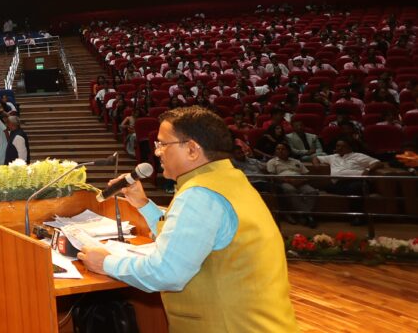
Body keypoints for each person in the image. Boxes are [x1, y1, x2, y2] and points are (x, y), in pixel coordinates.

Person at [77, 106, 298, 332]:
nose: (156, 152)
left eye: (162, 144)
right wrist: (142, 204)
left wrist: (105, 263)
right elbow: (188, 240)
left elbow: (166, 272)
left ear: (192, 149)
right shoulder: (227, 180)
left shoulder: (199, 193)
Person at [314, 137, 385, 226]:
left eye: (342, 146)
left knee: (354, 188)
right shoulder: (332, 157)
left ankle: (358, 217)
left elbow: (378, 163)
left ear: (349, 148)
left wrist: (368, 169)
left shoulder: (359, 156)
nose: (339, 148)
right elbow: (316, 157)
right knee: (329, 187)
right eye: (337, 146)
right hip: (340, 183)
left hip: (358, 181)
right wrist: (316, 165)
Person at [266, 142, 318, 227]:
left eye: (283, 149)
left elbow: (306, 175)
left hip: (300, 182)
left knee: (312, 191)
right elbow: (272, 176)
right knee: (291, 190)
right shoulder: (272, 162)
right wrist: (289, 180)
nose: (280, 151)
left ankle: (303, 214)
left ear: (288, 151)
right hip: (284, 182)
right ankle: (307, 215)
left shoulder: (296, 161)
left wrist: (301, 181)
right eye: (278, 149)